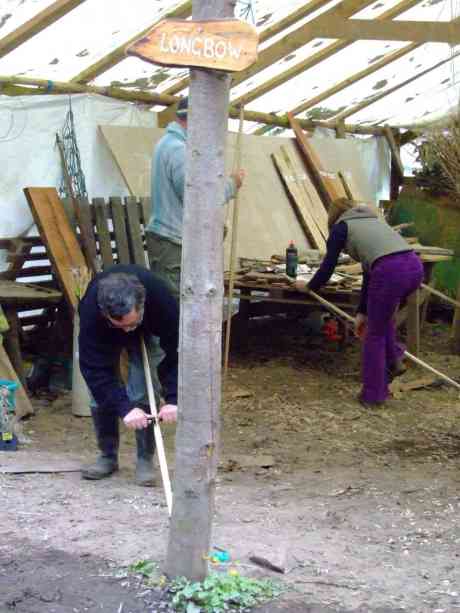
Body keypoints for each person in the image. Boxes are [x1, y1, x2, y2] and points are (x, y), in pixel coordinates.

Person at [294, 198, 424, 409]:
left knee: (374, 334)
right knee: (381, 319)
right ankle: (393, 360)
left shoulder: (340, 227)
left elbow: (328, 267)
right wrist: (362, 312)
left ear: (334, 216)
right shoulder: (373, 222)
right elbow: (369, 274)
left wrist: (309, 287)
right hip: (414, 267)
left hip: (390, 271)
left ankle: (372, 395)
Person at [78, 265, 179, 486]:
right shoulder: (91, 313)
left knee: (143, 385)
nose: (127, 330)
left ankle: (144, 460)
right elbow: (94, 370)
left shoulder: (163, 303)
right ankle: (107, 456)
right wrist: (124, 408)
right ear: (104, 312)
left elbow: (177, 353)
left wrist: (173, 398)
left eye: (132, 323)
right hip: (105, 333)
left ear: (141, 306)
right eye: (121, 325)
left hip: (152, 326)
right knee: (99, 394)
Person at [145, 95, 245, 298]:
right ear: (196, 119)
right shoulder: (179, 151)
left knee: (168, 306)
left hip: (168, 239)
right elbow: (198, 200)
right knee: (175, 309)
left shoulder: (168, 143)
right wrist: (231, 185)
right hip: (173, 242)